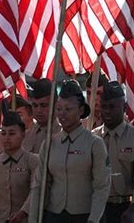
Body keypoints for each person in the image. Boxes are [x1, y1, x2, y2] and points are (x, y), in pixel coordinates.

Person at [29, 80, 111, 223]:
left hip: (84, 216)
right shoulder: (49, 144)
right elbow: (39, 186)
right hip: (54, 216)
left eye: (68, 109)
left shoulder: (94, 144)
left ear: (80, 110)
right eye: (59, 109)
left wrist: (94, 219)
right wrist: (33, 219)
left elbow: (102, 187)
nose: (62, 114)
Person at [93, 81, 134, 223]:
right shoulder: (92, 138)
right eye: (104, 107)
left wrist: (133, 208)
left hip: (130, 209)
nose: (107, 111)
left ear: (124, 107)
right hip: (100, 210)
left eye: (113, 107)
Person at [0, 111, 38, 223]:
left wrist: (23, 212)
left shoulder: (32, 160)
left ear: (23, 134)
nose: (7, 138)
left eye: (12, 133)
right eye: (3, 133)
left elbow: (36, 191)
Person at [22, 79, 61, 154]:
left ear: (56, 105)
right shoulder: (24, 136)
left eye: (43, 105)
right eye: (35, 105)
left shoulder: (63, 136)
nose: (39, 110)